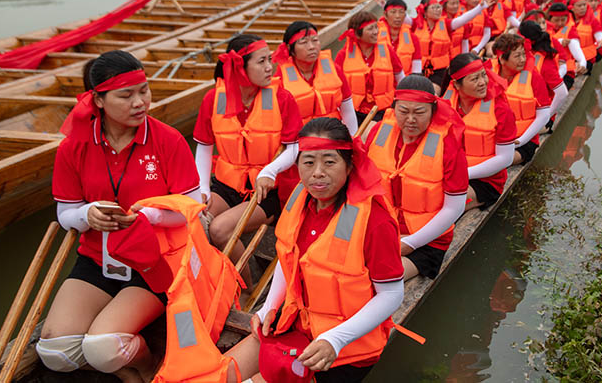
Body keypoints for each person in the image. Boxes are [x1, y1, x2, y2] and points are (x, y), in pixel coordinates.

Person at [39, 50, 202, 382]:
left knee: (102, 349)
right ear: (98, 100)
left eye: (143, 90)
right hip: (98, 259)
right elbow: (65, 213)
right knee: (54, 353)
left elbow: (192, 207)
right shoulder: (74, 146)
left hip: (155, 261)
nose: (140, 102)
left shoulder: (168, 140)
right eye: (126, 95)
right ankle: (124, 360)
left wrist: (150, 215)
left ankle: (144, 364)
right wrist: (88, 214)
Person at [225, 118, 405, 383]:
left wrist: (335, 340)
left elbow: (391, 294)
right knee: (221, 375)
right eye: (308, 162)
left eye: (329, 162)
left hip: (345, 345)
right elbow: (288, 260)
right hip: (295, 323)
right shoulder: (299, 198)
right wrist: (269, 308)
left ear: (349, 164)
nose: (318, 172)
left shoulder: (375, 221)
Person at [193, 34, 303, 283]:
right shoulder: (213, 99)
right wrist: (202, 190)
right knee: (195, 221)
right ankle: (209, 280)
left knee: (220, 229)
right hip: (227, 185)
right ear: (240, 67)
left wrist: (270, 171)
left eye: (270, 60)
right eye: (262, 61)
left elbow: (294, 148)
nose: (270, 67)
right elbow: (203, 146)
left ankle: (245, 286)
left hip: (268, 190)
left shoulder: (282, 98)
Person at [365, 75, 468, 280]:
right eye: (403, 111)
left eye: (419, 112)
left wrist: (409, 243)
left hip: (427, 239)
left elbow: (454, 207)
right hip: (380, 232)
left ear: (432, 111)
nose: (410, 120)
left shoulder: (448, 142)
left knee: (376, 279)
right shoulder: (378, 131)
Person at [442, 53, 516, 211]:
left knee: (441, 204)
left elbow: (505, 159)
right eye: (475, 79)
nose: (482, 82)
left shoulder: (501, 110)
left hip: (486, 181)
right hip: (447, 175)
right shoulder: (445, 106)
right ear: (456, 85)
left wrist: (461, 175)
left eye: (483, 75)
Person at [273, 21, 358, 135]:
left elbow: (347, 108)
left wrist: (352, 138)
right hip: (300, 140)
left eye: (315, 40)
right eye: (303, 42)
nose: (311, 47)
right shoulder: (280, 78)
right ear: (290, 48)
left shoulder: (334, 68)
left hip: (332, 135)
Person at [335, 11, 405, 124]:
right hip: (354, 113)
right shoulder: (343, 55)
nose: (376, 32)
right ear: (357, 34)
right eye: (370, 29)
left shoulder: (387, 50)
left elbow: (401, 78)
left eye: (376, 28)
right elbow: (336, 88)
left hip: (384, 111)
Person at [412, 0, 492, 93]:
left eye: (439, 7)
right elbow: (398, 16)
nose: (438, 10)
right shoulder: (415, 24)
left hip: (439, 70)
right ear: (425, 11)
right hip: (418, 69)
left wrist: (480, 7)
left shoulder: (446, 24)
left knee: (432, 91)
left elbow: (463, 19)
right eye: (434, 7)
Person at [492, 34, 552, 165]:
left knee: (500, 162)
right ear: (502, 59)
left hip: (523, 140)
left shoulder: (533, 77)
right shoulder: (487, 75)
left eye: (523, 54)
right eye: (517, 56)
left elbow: (544, 115)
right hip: (493, 139)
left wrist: (521, 140)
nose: (523, 59)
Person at [518, 20, 569, 119]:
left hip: (538, 113)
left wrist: (546, 117)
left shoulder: (545, 63)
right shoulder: (525, 55)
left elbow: (562, 93)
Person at [377, 0, 423, 75]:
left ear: (405, 15)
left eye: (401, 12)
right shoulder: (375, 35)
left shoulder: (413, 38)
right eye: (393, 12)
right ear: (385, 14)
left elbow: (417, 69)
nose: (397, 16)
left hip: (405, 82)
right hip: (382, 81)